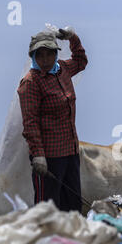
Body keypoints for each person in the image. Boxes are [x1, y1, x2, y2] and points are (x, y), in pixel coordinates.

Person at [17, 28, 88, 212]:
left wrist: (73, 37)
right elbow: (30, 122)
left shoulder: (62, 70)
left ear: (56, 54)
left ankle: (71, 240)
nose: (45, 60)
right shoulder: (31, 83)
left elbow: (81, 61)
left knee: (72, 207)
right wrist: (38, 155)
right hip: (48, 158)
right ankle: (47, 240)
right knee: (49, 210)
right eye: (40, 55)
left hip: (70, 152)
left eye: (50, 54)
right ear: (33, 57)